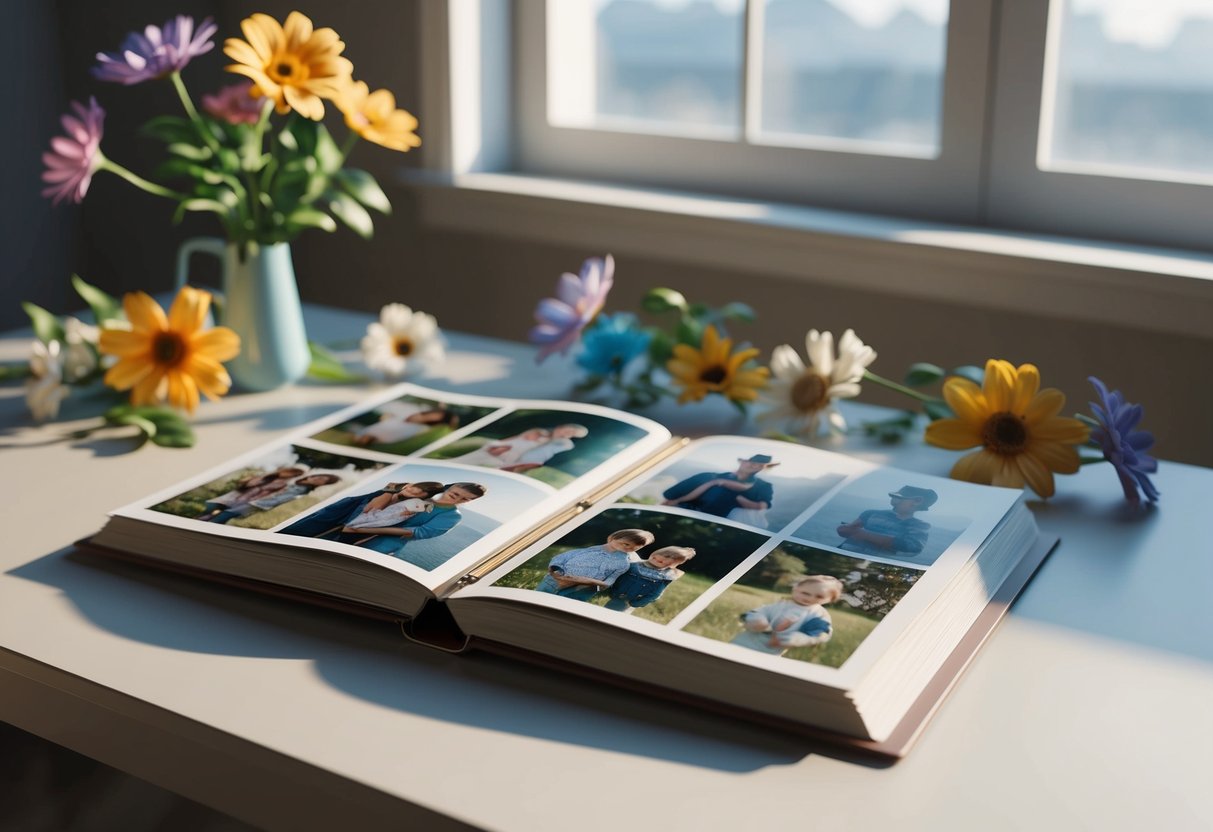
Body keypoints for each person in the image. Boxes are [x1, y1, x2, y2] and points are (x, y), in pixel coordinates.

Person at [282, 482, 487, 558]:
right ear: (449, 488)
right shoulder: (425, 495)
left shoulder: (451, 516)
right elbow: (397, 488)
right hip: (359, 522)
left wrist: (364, 531)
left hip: (379, 540)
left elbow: (416, 533)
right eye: (455, 493)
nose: (457, 499)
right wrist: (386, 494)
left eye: (465, 499)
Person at [730, 575, 843, 656]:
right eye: (805, 593)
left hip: (771, 651)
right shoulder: (781, 603)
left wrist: (797, 639)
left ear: (830, 599)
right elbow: (757, 612)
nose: (810, 598)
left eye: (819, 596)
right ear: (796, 588)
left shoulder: (818, 614)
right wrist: (758, 620)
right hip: (746, 641)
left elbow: (821, 633)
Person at [535, 528, 655, 602]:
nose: (627, 548)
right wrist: (556, 573)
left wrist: (588, 581)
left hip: (581, 590)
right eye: (625, 544)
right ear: (612, 538)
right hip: (553, 581)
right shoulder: (589, 550)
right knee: (537, 600)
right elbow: (560, 559)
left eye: (634, 547)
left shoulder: (623, 563)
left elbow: (609, 583)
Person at [661, 454, 778, 522]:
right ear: (742, 461)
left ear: (763, 468)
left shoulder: (764, 487)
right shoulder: (707, 476)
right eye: (751, 462)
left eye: (759, 465)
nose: (754, 466)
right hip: (678, 516)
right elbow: (670, 497)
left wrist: (737, 497)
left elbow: (762, 506)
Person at [836, 485, 937, 558]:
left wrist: (864, 535)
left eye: (901, 498)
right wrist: (846, 529)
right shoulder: (871, 513)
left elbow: (913, 547)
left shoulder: (919, 525)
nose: (895, 500)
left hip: (873, 561)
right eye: (896, 497)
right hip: (844, 552)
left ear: (917, 502)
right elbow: (846, 530)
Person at [604, 546, 695, 612]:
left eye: (667, 557)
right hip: (614, 591)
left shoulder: (665, 576)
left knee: (613, 613)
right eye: (661, 553)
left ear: (673, 564)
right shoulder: (635, 563)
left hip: (629, 600)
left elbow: (655, 594)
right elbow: (618, 574)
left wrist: (636, 603)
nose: (661, 556)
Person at [198, 466, 306, 522]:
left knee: (223, 513)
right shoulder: (268, 476)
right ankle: (200, 518)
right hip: (238, 494)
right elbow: (247, 483)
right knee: (213, 507)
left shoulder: (282, 484)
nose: (287, 474)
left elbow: (267, 492)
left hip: (249, 498)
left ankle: (205, 521)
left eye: (292, 474)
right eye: (290, 472)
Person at [341, 481, 445, 531]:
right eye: (413, 488)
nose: (414, 491)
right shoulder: (391, 489)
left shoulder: (416, 505)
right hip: (348, 518)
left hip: (356, 529)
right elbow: (369, 508)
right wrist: (390, 492)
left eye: (422, 491)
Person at [351, 402, 459, 447]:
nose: (419, 416)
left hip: (363, 429)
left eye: (427, 419)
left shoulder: (412, 430)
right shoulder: (410, 411)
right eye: (425, 414)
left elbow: (376, 438)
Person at [501, 423, 589, 473]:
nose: (568, 434)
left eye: (573, 435)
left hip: (523, 463)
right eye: (572, 430)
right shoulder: (539, 432)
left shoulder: (565, 443)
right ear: (564, 425)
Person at [452, 428, 551, 469]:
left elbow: (509, 451)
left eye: (535, 434)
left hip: (501, 461)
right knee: (482, 453)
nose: (531, 435)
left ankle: (455, 463)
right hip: (494, 452)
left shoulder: (532, 444)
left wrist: (501, 448)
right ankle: (455, 462)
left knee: (485, 456)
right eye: (531, 433)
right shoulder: (520, 438)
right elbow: (503, 443)